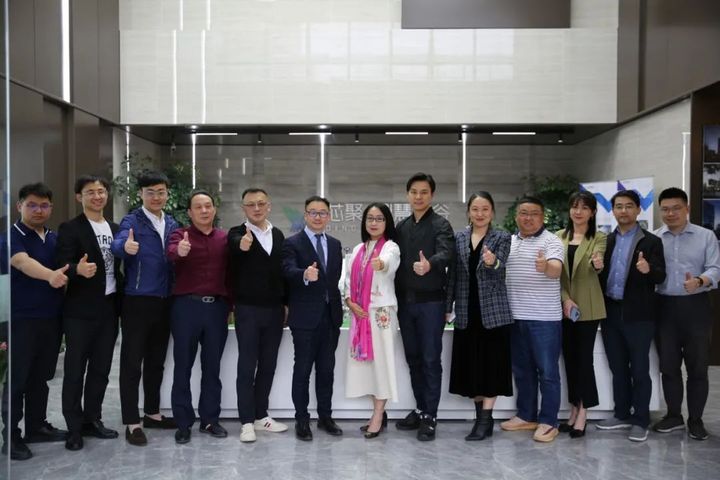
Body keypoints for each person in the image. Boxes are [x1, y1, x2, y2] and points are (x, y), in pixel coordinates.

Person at [111, 171, 179, 446]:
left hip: (165, 300)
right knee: (131, 363)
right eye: (150, 192)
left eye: (161, 192)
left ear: (167, 194)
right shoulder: (132, 220)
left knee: (155, 361)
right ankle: (132, 421)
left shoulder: (172, 222)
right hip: (137, 300)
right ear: (140, 194)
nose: (156, 197)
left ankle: (152, 413)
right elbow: (117, 245)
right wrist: (125, 247)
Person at [1, 183, 68, 460]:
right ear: (19, 206)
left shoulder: (53, 238)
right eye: (31, 205)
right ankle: (11, 437)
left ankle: (37, 426)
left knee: (40, 377)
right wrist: (50, 276)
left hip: (51, 318)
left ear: (51, 208)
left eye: (44, 205)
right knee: (18, 379)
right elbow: (21, 262)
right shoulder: (10, 236)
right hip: (21, 319)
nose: (38, 210)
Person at [56, 175, 123, 451]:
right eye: (90, 192)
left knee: (100, 370)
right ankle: (74, 428)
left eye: (101, 191)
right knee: (74, 371)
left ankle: (92, 419)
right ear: (79, 197)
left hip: (109, 309)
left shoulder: (116, 228)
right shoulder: (70, 228)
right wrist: (77, 269)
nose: (97, 196)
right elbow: (61, 263)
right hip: (80, 311)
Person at [597, 189, 665, 442]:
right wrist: (597, 269)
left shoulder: (651, 241)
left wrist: (648, 270)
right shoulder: (606, 241)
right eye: (618, 206)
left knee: (639, 368)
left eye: (628, 206)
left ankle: (641, 419)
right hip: (611, 312)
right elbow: (600, 277)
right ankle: (622, 414)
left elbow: (661, 276)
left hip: (639, 315)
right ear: (613, 210)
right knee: (617, 367)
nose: (623, 211)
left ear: (638, 209)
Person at [652, 187, 720, 440]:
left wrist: (700, 281)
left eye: (676, 208)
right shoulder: (654, 238)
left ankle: (696, 420)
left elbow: (716, 268)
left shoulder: (705, 236)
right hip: (663, 307)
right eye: (665, 209)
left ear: (687, 208)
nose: (670, 213)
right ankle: (673, 416)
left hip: (696, 307)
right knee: (668, 366)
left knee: (697, 367)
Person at [446, 192, 513, 441]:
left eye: (485, 209)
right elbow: (453, 275)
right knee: (472, 369)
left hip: (493, 313)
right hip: (466, 312)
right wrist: (447, 306)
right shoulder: (459, 238)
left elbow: (501, 269)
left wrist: (492, 262)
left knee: (491, 368)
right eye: (475, 209)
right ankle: (480, 418)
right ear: (469, 212)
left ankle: (485, 420)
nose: (480, 213)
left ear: (492, 212)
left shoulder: (502, 237)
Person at [394, 172, 455, 441]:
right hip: (405, 304)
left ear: (432, 195)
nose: (418, 197)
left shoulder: (441, 224)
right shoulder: (401, 226)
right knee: (413, 359)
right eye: (414, 192)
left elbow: (447, 252)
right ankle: (420, 409)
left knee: (430, 360)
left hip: (431, 303)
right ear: (408, 195)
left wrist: (430, 264)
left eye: (424, 192)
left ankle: (430, 416)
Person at [167, 190, 230, 444]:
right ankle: (183, 423)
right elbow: (171, 253)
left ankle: (210, 420)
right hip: (186, 308)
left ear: (214, 209)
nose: (204, 211)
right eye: (198, 207)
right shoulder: (179, 235)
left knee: (212, 367)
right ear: (190, 212)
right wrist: (180, 251)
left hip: (216, 309)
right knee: (182, 366)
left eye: (208, 206)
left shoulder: (224, 238)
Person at [501, 196, 564, 443]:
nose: (528, 218)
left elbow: (556, 269)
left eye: (534, 213)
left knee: (547, 372)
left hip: (544, 319)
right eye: (524, 213)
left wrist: (545, 267)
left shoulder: (551, 241)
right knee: (522, 370)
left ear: (542, 216)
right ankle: (526, 415)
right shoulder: (510, 241)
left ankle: (549, 421)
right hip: (515, 317)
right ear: (517, 216)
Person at [227, 188, 288, 443]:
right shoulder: (236, 233)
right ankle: (246, 422)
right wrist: (241, 246)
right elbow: (234, 249)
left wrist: (286, 303)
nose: (256, 208)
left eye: (261, 203)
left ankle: (261, 416)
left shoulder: (278, 234)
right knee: (247, 365)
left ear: (268, 206)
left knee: (268, 364)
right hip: (248, 310)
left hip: (274, 311)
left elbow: (282, 272)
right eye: (251, 204)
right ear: (244, 208)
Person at [282, 195, 344, 441]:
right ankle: (302, 420)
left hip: (331, 317)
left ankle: (325, 417)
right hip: (305, 319)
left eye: (323, 213)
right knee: (303, 370)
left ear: (329, 216)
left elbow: (334, 280)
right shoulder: (292, 243)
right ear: (305, 215)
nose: (318, 217)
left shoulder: (336, 244)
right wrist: (304, 275)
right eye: (313, 212)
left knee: (327, 371)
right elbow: (287, 270)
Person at [344, 203, 401, 439]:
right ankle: (378, 412)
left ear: (387, 222)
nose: (374, 223)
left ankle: (377, 416)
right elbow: (347, 279)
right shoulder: (358, 248)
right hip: (360, 314)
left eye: (379, 218)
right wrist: (349, 301)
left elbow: (389, 262)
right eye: (370, 218)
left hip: (381, 314)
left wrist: (381, 264)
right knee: (368, 367)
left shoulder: (391, 247)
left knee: (382, 364)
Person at [555, 191, 607, 438]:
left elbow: (597, 264)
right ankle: (573, 408)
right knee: (570, 360)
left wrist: (598, 264)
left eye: (584, 207)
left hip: (588, 306)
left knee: (584, 360)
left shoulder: (599, 237)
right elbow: (556, 274)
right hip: (563, 307)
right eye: (575, 206)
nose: (578, 211)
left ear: (592, 212)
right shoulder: (558, 237)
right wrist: (565, 299)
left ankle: (583, 411)